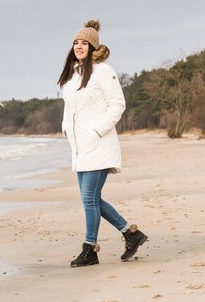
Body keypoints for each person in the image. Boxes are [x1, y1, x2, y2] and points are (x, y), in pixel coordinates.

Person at [58, 19, 148, 267]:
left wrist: (98, 130)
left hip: (98, 145)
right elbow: (69, 108)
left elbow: (118, 105)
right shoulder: (72, 76)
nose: (78, 46)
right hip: (79, 148)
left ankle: (90, 248)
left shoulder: (104, 71)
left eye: (84, 43)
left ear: (93, 47)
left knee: (89, 198)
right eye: (76, 42)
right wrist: (66, 128)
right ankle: (131, 234)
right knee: (91, 199)